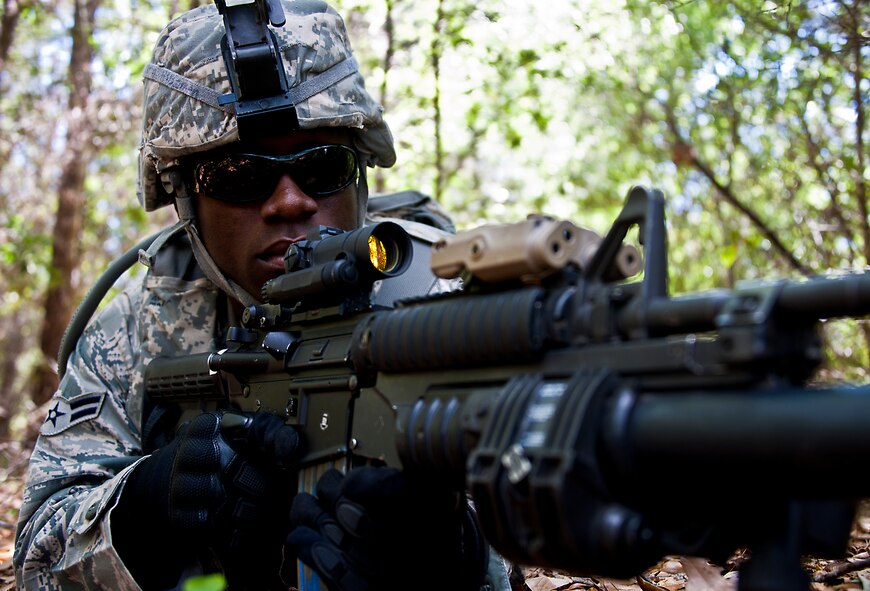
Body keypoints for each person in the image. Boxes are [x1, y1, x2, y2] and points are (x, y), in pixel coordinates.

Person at [13, 1, 511, 589]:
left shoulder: (445, 301)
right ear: (186, 203)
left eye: (323, 167)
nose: (291, 202)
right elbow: (36, 561)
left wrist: (454, 553)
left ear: (360, 178)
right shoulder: (135, 332)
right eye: (240, 176)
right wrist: (145, 510)